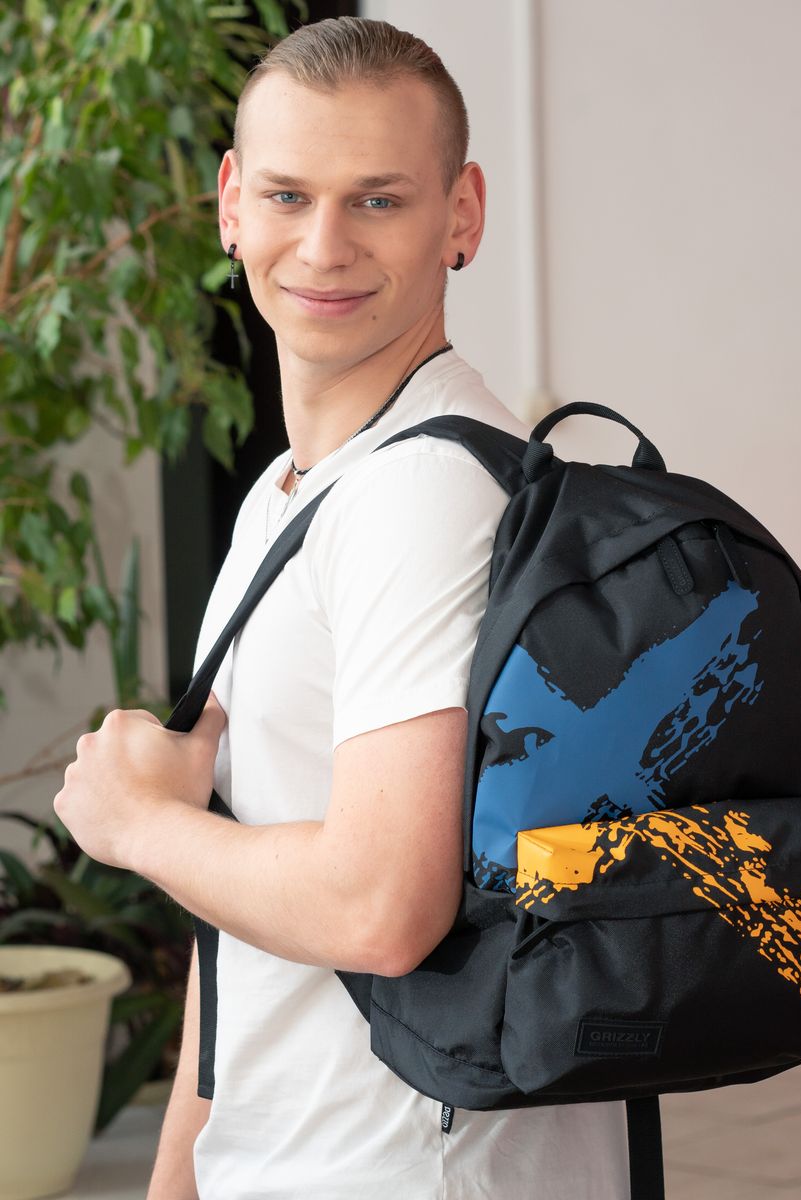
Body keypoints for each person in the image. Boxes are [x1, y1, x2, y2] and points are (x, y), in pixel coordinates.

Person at [54, 17, 629, 1200]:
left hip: (403, 1170)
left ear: (461, 215)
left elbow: (379, 906)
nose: (322, 246)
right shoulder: (292, 492)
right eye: (287, 195)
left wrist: (134, 823)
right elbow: (241, 904)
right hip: (299, 1159)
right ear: (231, 204)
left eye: (377, 200)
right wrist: (179, 1178)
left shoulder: (419, 493)